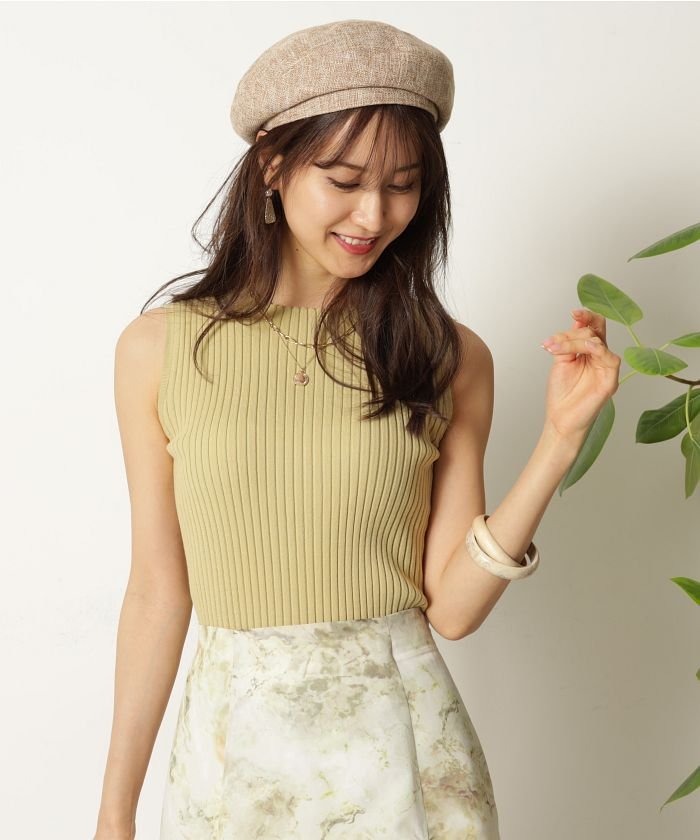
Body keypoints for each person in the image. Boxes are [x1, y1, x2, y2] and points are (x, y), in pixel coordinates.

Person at [93, 18, 620, 840]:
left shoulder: (447, 357)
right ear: (272, 165)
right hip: (232, 769)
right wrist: (114, 811)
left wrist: (559, 440)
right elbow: (159, 591)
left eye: (404, 186)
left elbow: (452, 608)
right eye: (343, 180)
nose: (373, 215)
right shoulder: (158, 351)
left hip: (407, 764)